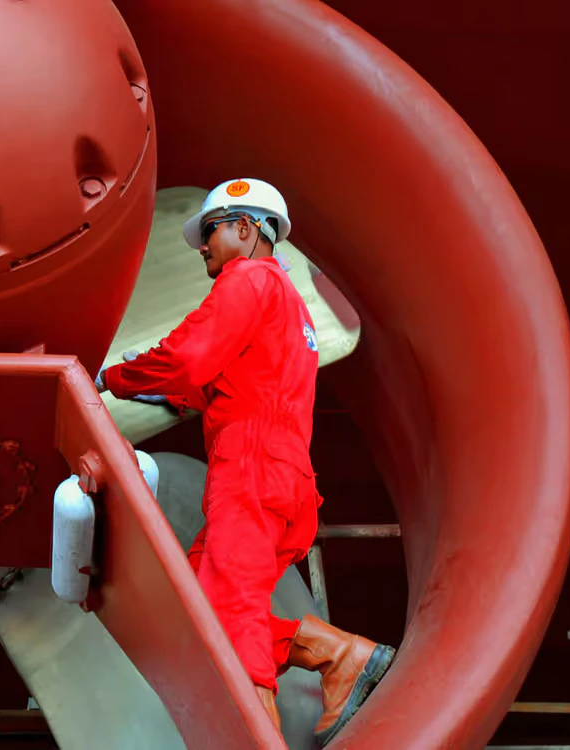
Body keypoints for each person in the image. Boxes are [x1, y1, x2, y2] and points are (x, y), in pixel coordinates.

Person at [95, 179, 395, 744]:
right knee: (195, 616)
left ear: (246, 228)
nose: (203, 246)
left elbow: (188, 359)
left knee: (229, 619)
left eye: (210, 231)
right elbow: (227, 383)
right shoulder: (291, 306)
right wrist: (164, 389)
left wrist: (111, 378)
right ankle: (339, 655)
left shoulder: (249, 279)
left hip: (249, 474)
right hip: (285, 481)